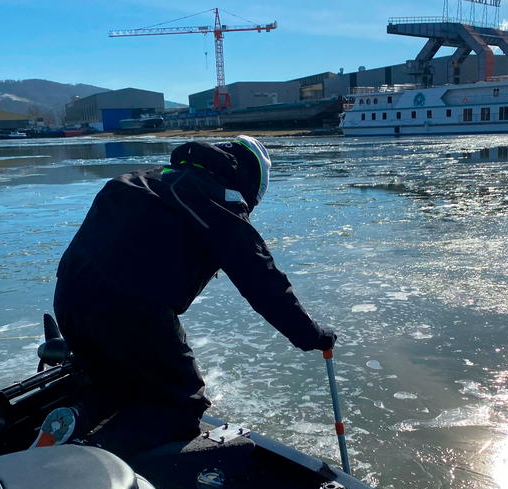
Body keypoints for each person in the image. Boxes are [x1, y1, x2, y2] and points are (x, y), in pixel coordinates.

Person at [52, 136, 336, 448]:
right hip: (132, 311)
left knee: (117, 383)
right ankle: (96, 457)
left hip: (69, 300)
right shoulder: (216, 199)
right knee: (182, 404)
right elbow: (261, 279)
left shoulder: (139, 179)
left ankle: (72, 427)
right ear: (250, 179)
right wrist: (311, 335)